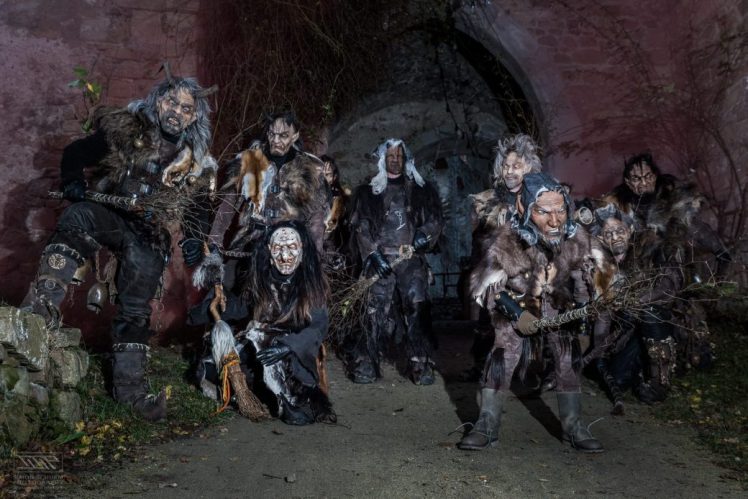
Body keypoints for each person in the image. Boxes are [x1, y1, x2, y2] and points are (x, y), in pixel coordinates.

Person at [21, 67, 218, 420]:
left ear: (193, 117)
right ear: (158, 101)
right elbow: (76, 153)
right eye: (171, 102)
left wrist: (196, 242)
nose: (176, 111)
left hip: (148, 234)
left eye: (186, 108)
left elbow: (199, 211)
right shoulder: (128, 129)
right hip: (110, 215)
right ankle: (36, 317)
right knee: (79, 214)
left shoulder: (197, 164)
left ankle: (131, 393)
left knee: (136, 308)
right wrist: (72, 180)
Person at [460, 172, 608, 452]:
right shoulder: (506, 241)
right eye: (543, 212)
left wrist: (583, 307)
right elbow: (488, 288)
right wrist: (517, 314)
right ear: (525, 209)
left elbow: (585, 276)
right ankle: (486, 424)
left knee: (568, 356)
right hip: (517, 303)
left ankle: (574, 426)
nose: (554, 221)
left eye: (560, 210)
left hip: (558, 303)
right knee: (503, 355)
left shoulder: (576, 239)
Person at [345, 138, 443, 385]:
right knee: (373, 310)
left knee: (417, 307)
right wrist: (372, 254)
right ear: (383, 159)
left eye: (399, 156)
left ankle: (420, 363)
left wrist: (424, 235)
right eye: (390, 156)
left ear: (405, 158)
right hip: (381, 260)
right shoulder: (368, 193)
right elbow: (361, 225)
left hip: (411, 258)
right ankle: (366, 361)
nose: (395, 160)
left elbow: (434, 220)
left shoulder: (421, 191)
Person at [462, 134, 542, 380]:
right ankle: (487, 372)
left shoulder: (541, 198)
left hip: (531, 275)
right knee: (493, 327)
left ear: (529, 167)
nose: (509, 171)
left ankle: (529, 370)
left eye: (516, 166)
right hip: (497, 276)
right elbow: (480, 242)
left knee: (534, 323)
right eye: (506, 166)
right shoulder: (487, 202)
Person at [242, 221, 335, 424]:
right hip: (261, 341)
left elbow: (318, 327)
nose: (285, 257)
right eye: (278, 248)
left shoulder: (312, 284)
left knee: (297, 384)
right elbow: (243, 308)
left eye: (292, 247)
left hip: (294, 345)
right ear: (269, 250)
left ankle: (291, 399)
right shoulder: (259, 278)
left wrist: (287, 346)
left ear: (301, 249)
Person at [208, 111, 330, 257]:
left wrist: (316, 254)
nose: (276, 140)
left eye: (283, 135)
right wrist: (214, 243)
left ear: (295, 136)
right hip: (251, 245)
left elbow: (316, 217)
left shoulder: (308, 169)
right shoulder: (250, 161)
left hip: (290, 247)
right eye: (272, 134)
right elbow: (227, 206)